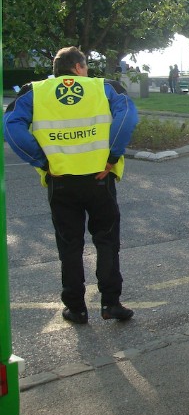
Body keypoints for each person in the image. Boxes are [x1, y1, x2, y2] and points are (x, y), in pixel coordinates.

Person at [3, 46, 139, 323]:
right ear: (78, 67)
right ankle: (111, 303)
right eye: (85, 66)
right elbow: (127, 118)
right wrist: (112, 156)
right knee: (107, 241)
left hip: (60, 180)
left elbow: (11, 127)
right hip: (100, 179)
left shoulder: (33, 91)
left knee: (70, 246)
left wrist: (43, 162)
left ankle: (76, 308)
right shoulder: (106, 87)